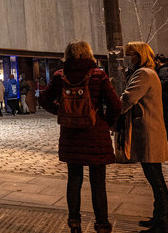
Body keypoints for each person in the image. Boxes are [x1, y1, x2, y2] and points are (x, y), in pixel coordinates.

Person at [40, 40, 121, 233]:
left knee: (74, 179)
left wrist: (61, 112)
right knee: (98, 182)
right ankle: (102, 224)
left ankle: (74, 223)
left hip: (71, 135)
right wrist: (105, 123)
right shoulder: (98, 75)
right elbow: (116, 105)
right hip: (95, 134)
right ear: (88, 53)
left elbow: (43, 99)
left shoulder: (61, 75)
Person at [120, 41, 168, 233]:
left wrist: (111, 109)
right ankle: (160, 216)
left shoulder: (143, 74)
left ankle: (164, 221)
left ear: (139, 55)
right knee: (155, 176)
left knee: (155, 178)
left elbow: (128, 98)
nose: (128, 58)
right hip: (151, 130)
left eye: (130, 54)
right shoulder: (149, 72)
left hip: (148, 132)